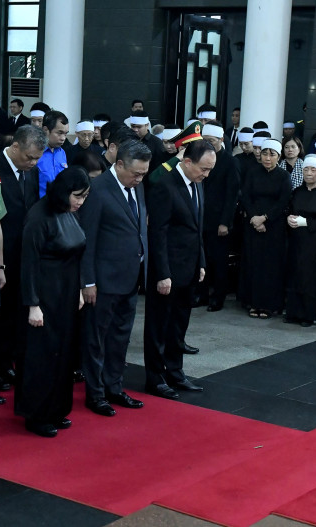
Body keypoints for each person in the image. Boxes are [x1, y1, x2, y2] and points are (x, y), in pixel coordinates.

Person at [17, 167, 90, 437]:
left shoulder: (70, 213)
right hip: (45, 294)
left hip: (67, 291)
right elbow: (29, 263)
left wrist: (80, 290)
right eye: (77, 196)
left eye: (84, 197)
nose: (80, 202)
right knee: (42, 355)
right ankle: (36, 414)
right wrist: (32, 303)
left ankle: (57, 408)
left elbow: (79, 251)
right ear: (63, 191)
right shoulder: (38, 216)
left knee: (64, 353)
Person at [79, 140, 150, 417]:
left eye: (144, 173)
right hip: (103, 281)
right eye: (136, 173)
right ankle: (95, 394)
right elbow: (88, 239)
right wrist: (88, 282)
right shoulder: (97, 190)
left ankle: (114, 387)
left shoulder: (138, 186)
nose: (140, 178)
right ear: (118, 164)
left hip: (130, 278)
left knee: (121, 337)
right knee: (97, 339)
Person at [143, 140, 216, 400]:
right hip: (167, 271)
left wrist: (202, 262)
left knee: (178, 326)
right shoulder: (164, 186)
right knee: (158, 325)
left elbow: (197, 228)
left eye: (209, 170)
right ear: (187, 162)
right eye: (203, 169)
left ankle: (175, 371)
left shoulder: (198, 185)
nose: (206, 175)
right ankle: (155, 377)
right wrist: (162, 273)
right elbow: (158, 233)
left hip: (189, 267)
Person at [0, 125, 47, 392]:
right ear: (16, 146)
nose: (33, 163)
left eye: (37, 159)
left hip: (23, 253)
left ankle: (5, 361)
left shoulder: (29, 172)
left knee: (14, 311)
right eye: (29, 157)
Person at [239, 138, 292, 318]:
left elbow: (283, 201)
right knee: (253, 263)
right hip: (253, 223)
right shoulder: (253, 172)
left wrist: (265, 218)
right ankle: (252, 302)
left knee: (270, 266)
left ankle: (269, 304)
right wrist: (255, 218)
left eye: (272, 154)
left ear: (279, 157)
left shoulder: (284, 176)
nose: (267, 158)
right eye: (264, 153)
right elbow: (245, 196)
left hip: (274, 225)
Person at [285, 155, 316, 326]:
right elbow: (289, 209)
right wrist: (289, 218)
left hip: (315, 242)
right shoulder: (297, 192)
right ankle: (293, 311)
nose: (309, 173)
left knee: (311, 278)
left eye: (313, 170)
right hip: (297, 240)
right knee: (295, 274)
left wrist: (307, 222)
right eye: (306, 169)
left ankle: (308, 314)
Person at [198, 120, 241, 311]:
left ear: (221, 139)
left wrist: (225, 222)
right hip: (201, 218)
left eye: (212, 141)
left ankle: (218, 297)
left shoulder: (230, 161)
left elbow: (232, 195)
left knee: (219, 260)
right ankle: (202, 294)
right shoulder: (199, 157)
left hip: (219, 220)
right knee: (202, 259)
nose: (208, 144)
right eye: (205, 140)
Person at [36, 110, 70, 197]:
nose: (63, 138)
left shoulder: (62, 153)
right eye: (59, 133)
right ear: (45, 130)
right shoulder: (34, 152)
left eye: (65, 134)